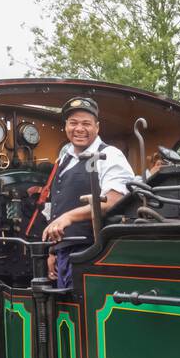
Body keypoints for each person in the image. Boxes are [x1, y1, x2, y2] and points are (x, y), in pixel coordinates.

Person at [38, 97, 135, 282]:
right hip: (65, 253)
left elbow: (114, 200)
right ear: (66, 126)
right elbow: (58, 205)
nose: (79, 129)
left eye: (86, 124)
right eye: (73, 123)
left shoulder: (110, 155)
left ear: (97, 127)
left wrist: (69, 217)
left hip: (93, 253)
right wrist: (53, 250)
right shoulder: (64, 159)